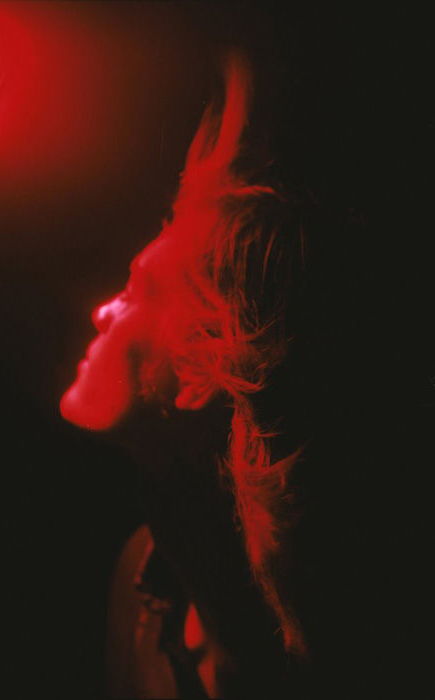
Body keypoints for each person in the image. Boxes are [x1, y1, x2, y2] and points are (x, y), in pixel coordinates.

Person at [60, 52, 421, 698]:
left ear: (198, 377)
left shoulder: (350, 663)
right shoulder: (137, 588)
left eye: (138, 292)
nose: (102, 310)